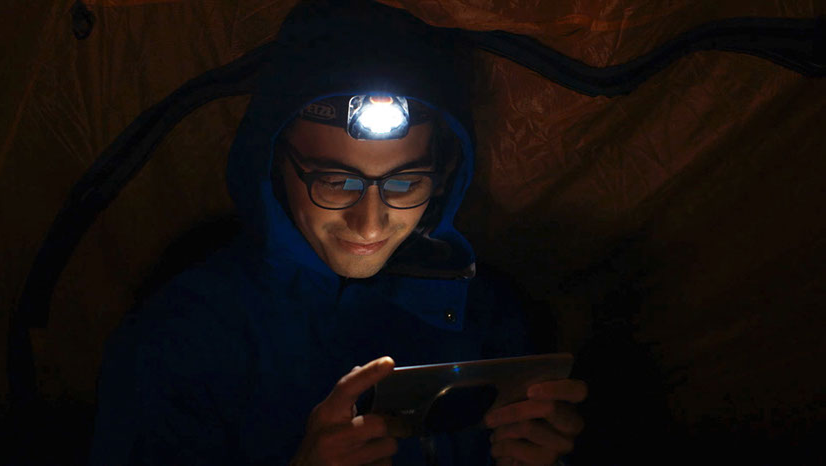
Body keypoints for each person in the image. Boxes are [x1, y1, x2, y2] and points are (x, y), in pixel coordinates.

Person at [90, 1, 587, 465]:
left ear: (444, 176)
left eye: (404, 183)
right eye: (335, 181)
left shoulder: (492, 317)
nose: (369, 223)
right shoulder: (181, 337)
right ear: (271, 162)